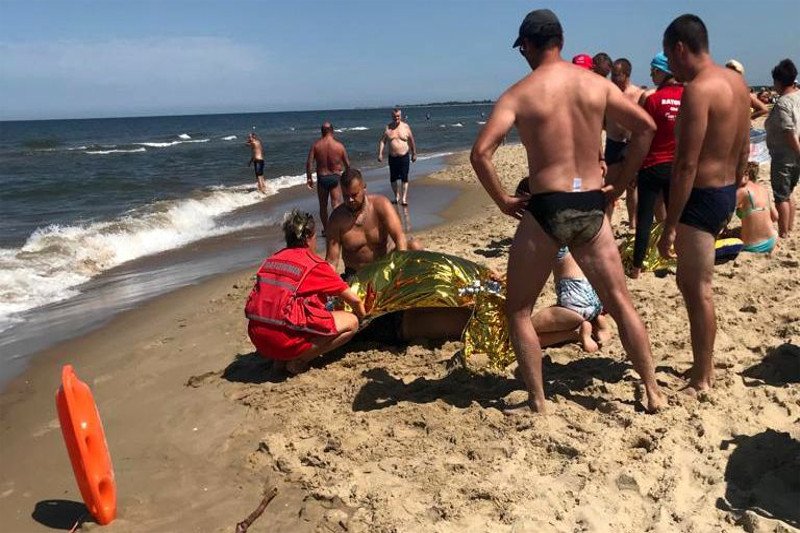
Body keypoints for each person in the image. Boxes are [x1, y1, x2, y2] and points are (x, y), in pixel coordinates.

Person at [471, 8, 664, 413]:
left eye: (521, 48)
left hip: (547, 207)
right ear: (560, 40)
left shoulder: (519, 93)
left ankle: (539, 401)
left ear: (526, 45)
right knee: (620, 301)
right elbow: (646, 126)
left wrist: (504, 199)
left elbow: (480, 154)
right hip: (591, 204)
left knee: (519, 309)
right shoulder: (594, 85)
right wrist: (622, 182)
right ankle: (652, 390)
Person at [657, 14, 751, 394]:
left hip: (700, 197)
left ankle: (703, 376)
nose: (670, 66)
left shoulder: (697, 90)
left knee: (697, 289)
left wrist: (669, 225)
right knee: (694, 285)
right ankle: (701, 366)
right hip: (724, 192)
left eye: (669, 55)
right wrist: (735, 190)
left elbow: (685, 165)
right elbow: (744, 147)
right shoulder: (738, 84)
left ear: (681, 48)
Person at [245, 210, 366, 375]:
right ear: (309, 237)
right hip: (282, 341)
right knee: (351, 323)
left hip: (258, 338)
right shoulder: (314, 264)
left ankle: (280, 359)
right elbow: (355, 301)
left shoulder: (272, 259)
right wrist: (363, 317)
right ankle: (300, 360)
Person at [630, 53, 684, 278]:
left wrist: (633, 167)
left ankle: (636, 268)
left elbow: (642, 136)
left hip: (652, 164)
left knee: (644, 218)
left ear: (664, 71)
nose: (651, 74)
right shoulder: (687, 96)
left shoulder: (652, 99)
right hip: (677, 166)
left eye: (654, 70)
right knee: (677, 217)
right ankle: (682, 259)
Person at [608, 58, 646, 230]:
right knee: (610, 185)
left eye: (617, 75)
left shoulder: (638, 93)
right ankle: (606, 223)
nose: (613, 78)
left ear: (626, 74)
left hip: (632, 144)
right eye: (612, 74)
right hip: (614, 142)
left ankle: (633, 222)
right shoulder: (609, 92)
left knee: (633, 186)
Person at [765, 58, 800, 238]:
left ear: (779, 81)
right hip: (793, 155)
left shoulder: (784, 103)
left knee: (781, 196)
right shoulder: (798, 96)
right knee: (789, 193)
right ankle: (790, 227)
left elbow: (789, 131)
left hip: (784, 155)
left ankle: (784, 232)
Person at [306, 122, 350, 234]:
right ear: (332, 131)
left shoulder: (316, 145)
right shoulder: (339, 146)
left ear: (322, 132)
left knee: (323, 206)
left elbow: (309, 163)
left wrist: (309, 178)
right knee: (336, 204)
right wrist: (349, 178)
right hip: (335, 177)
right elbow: (347, 164)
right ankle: (338, 228)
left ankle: (326, 230)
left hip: (322, 178)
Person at [377, 108, 417, 205]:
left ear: (401, 116)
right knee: (393, 178)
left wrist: (414, 153)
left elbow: (411, 140)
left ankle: (403, 199)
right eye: (394, 116)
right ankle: (396, 196)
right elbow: (383, 141)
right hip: (392, 157)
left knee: (404, 177)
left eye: (398, 116)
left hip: (404, 156)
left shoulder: (406, 127)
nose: (396, 118)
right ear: (392, 116)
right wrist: (380, 153)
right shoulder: (388, 128)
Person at [735, 174, 779, 253]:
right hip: (772, 240)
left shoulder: (742, 191)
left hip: (752, 246)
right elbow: (775, 217)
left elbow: (724, 213)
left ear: (746, 175)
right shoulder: (763, 189)